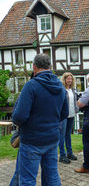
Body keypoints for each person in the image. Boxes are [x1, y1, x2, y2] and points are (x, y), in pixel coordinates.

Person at [12, 53, 68, 185]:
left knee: (28, 180)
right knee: (52, 177)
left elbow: (19, 117)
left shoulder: (31, 85)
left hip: (32, 140)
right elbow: (64, 113)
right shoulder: (60, 87)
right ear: (50, 66)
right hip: (52, 138)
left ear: (34, 67)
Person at [58, 72, 78, 164]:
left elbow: (75, 100)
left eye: (71, 79)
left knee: (68, 134)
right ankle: (62, 155)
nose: (69, 80)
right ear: (64, 79)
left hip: (72, 114)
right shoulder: (61, 89)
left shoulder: (73, 89)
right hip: (63, 116)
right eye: (68, 79)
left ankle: (70, 153)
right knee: (61, 135)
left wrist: (76, 109)